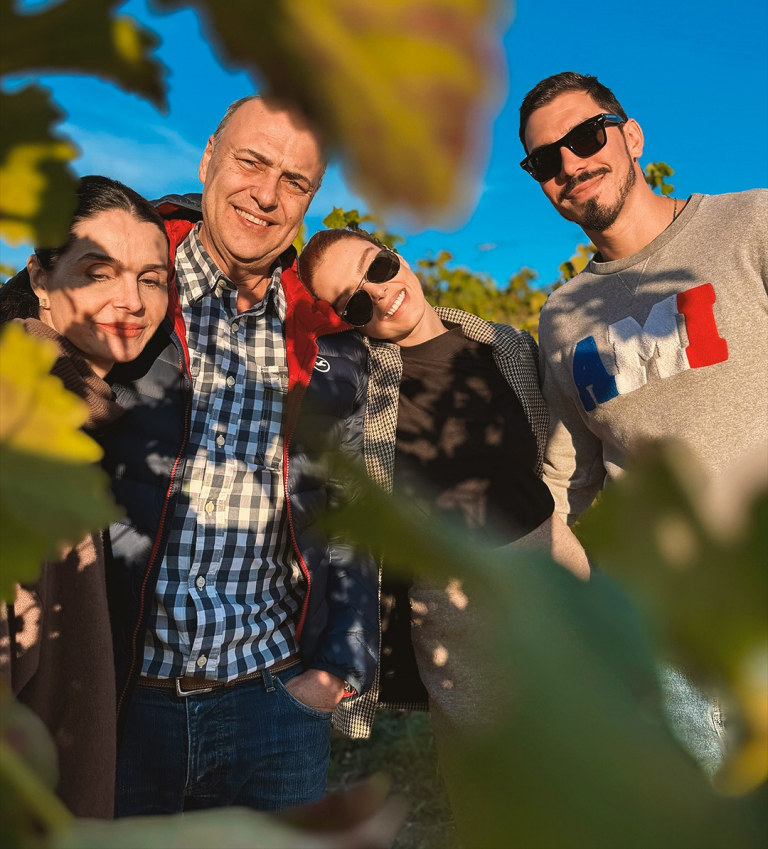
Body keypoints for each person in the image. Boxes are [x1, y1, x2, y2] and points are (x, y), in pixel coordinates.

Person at [102, 95, 378, 816]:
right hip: (121, 705)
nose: (266, 194)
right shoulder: (125, 285)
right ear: (208, 160)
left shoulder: (328, 333)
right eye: (252, 162)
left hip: (275, 707)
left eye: (295, 181)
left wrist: (336, 669)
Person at [518, 70, 768, 771]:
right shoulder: (562, 316)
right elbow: (569, 481)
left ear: (631, 136)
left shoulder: (752, 222)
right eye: (545, 160)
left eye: (585, 137)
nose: (569, 164)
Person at [297, 226, 589, 745]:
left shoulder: (506, 347)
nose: (380, 293)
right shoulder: (358, 389)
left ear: (397, 256)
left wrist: (564, 528)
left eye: (378, 267)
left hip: (559, 580)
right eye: (355, 303)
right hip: (459, 621)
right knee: (490, 780)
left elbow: (553, 456)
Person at [0, 175, 170, 818]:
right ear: (40, 279)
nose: (131, 300)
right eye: (98, 273)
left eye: (152, 279)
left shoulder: (80, 412)